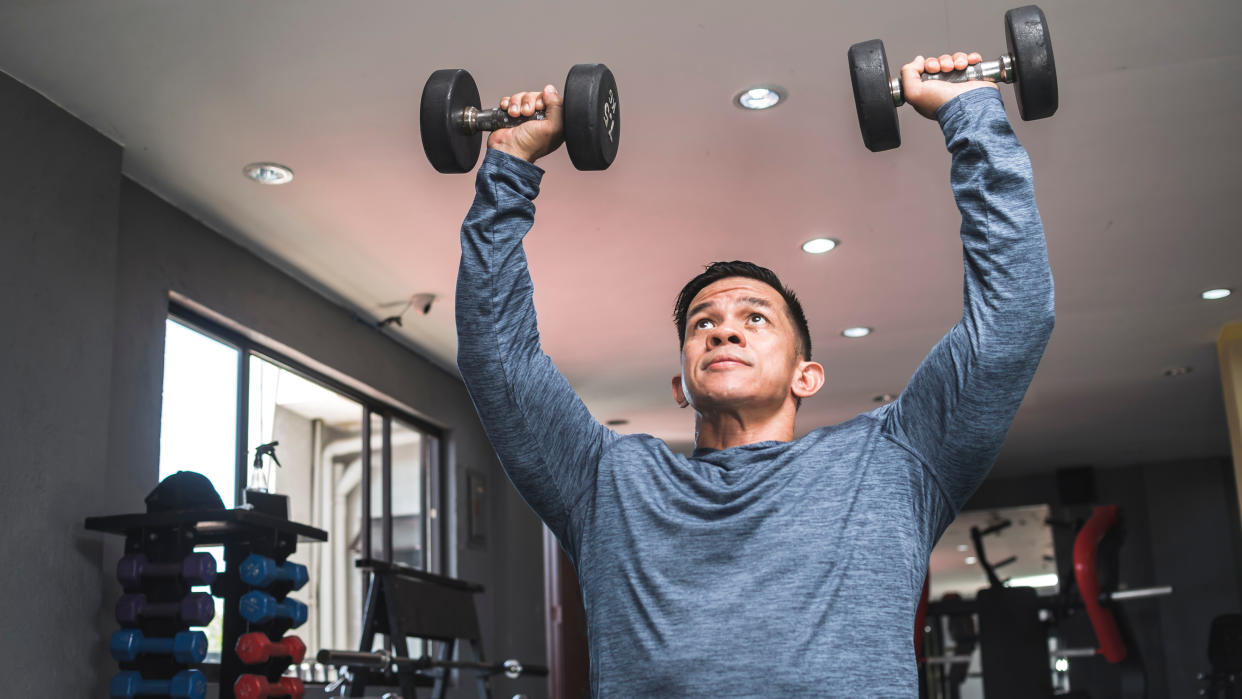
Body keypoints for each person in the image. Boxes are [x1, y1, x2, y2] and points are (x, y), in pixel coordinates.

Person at [454, 51, 1054, 696]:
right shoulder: (609, 482)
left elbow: (1012, 320)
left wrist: (971, 113)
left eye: (756, 319)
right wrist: (509, 167)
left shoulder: (892, 462)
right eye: (701, 324)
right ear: (681, 385)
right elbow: (497, 353)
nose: (725, 329)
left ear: (807, 376)